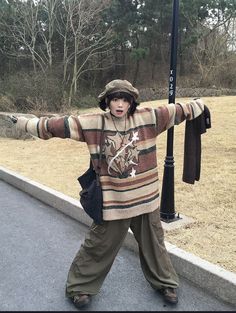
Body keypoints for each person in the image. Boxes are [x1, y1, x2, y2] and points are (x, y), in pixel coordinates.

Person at [13, 79, 204, 309]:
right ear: (107, 102)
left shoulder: (148, 118)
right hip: (114, 202)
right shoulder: (93, 123)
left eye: (125, 99)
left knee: (155, 244)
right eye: (115, 99)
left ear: (132, 102)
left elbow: (177, 111)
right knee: (97, 246)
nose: (120, 104)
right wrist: (26, 123)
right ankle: (80, 287)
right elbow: (57, 126)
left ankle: (165, 282)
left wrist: (199, 105)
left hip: (146, 200)